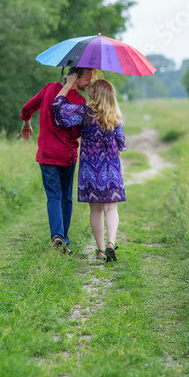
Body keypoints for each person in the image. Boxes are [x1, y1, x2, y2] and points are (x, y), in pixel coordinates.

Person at [52, 76, 126, 262]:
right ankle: (111, 243)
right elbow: (121, 144)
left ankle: (100, 250)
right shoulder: (115, 117)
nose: (89, 87)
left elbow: (58, 107)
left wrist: (68, 85)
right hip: (111, 169)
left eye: (92, 87)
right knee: (111, 209)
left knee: (96, 211)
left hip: (91, 171)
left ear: (96, 93)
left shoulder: (84, 113)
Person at [20, 67, 93, 252]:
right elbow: (77, 132)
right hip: (67, 155)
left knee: (53, 196)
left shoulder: (50, 88)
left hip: (47, 154)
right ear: (75, 77)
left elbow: (27, 108)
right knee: (66, 198)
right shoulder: (80, 101)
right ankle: (64, 239)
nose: (89, 82)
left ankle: (58, 236)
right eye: (87, 79)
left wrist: (27, 123)